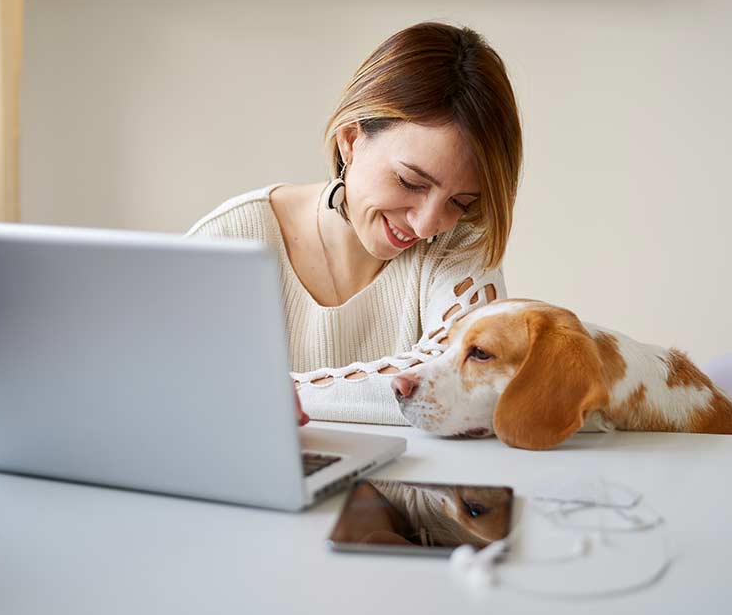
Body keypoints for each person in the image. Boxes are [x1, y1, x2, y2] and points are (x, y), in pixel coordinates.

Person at [185, 21, 523, 428]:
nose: (429, 224)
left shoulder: (460, 242)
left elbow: (461, 388)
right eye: (410, 182)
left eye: (461, 201)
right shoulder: (230, 240)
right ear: (350, 140)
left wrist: (258, 392)